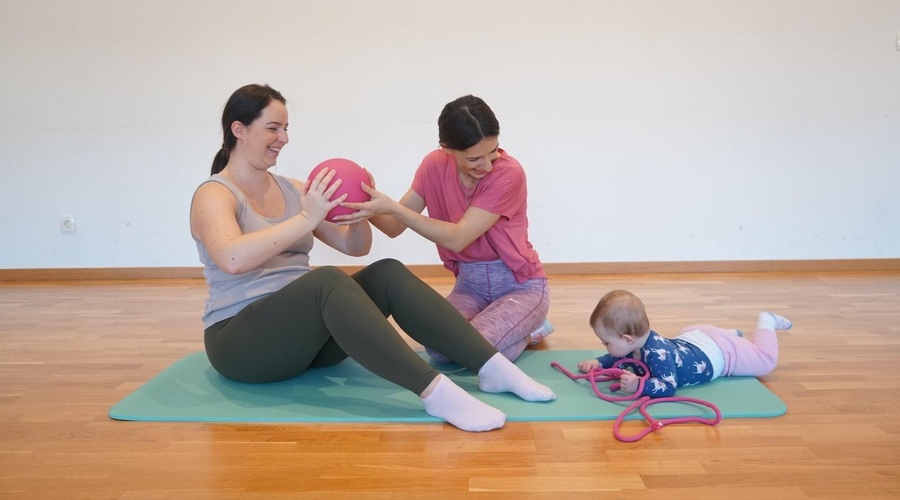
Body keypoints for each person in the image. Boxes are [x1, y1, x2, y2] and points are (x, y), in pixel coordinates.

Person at [189, 83, 555, 432]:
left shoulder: (293, 189)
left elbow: (354, 247)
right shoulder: (215, 193)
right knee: (327, 280)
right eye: (273, 128)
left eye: (286, 128)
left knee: (387, 273)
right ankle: (437, 394)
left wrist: (359, 211)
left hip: (302, 344)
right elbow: (232, 259)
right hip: (241, 345)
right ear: (239, 129)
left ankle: (491, 367)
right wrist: (307, 218)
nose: (284, 138)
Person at [339, 95, 551, 365]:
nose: (486, 166)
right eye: (475, 158)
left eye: (493, 151)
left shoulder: (509, 173)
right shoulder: (433, 165)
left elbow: (459, 237)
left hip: (520, 288)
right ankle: (515, 329)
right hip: (469, 287)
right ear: (447, 148)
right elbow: (394, 226)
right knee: (438, 351)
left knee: (474, 353)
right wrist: (362, 202)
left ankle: (532, 329)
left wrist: (391, 206)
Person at [577, 289, 792, 398]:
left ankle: (766, 322)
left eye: (605, 342)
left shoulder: (657, 354)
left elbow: (668, 386)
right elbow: (618, 357)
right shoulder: (634, 344)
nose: (605, 347)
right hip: (695, 337)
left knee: (765, 361)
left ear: (627, 339)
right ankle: (730, 335)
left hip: (720, 353)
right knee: (706, 341)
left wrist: (639, 385)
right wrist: (599, 362)